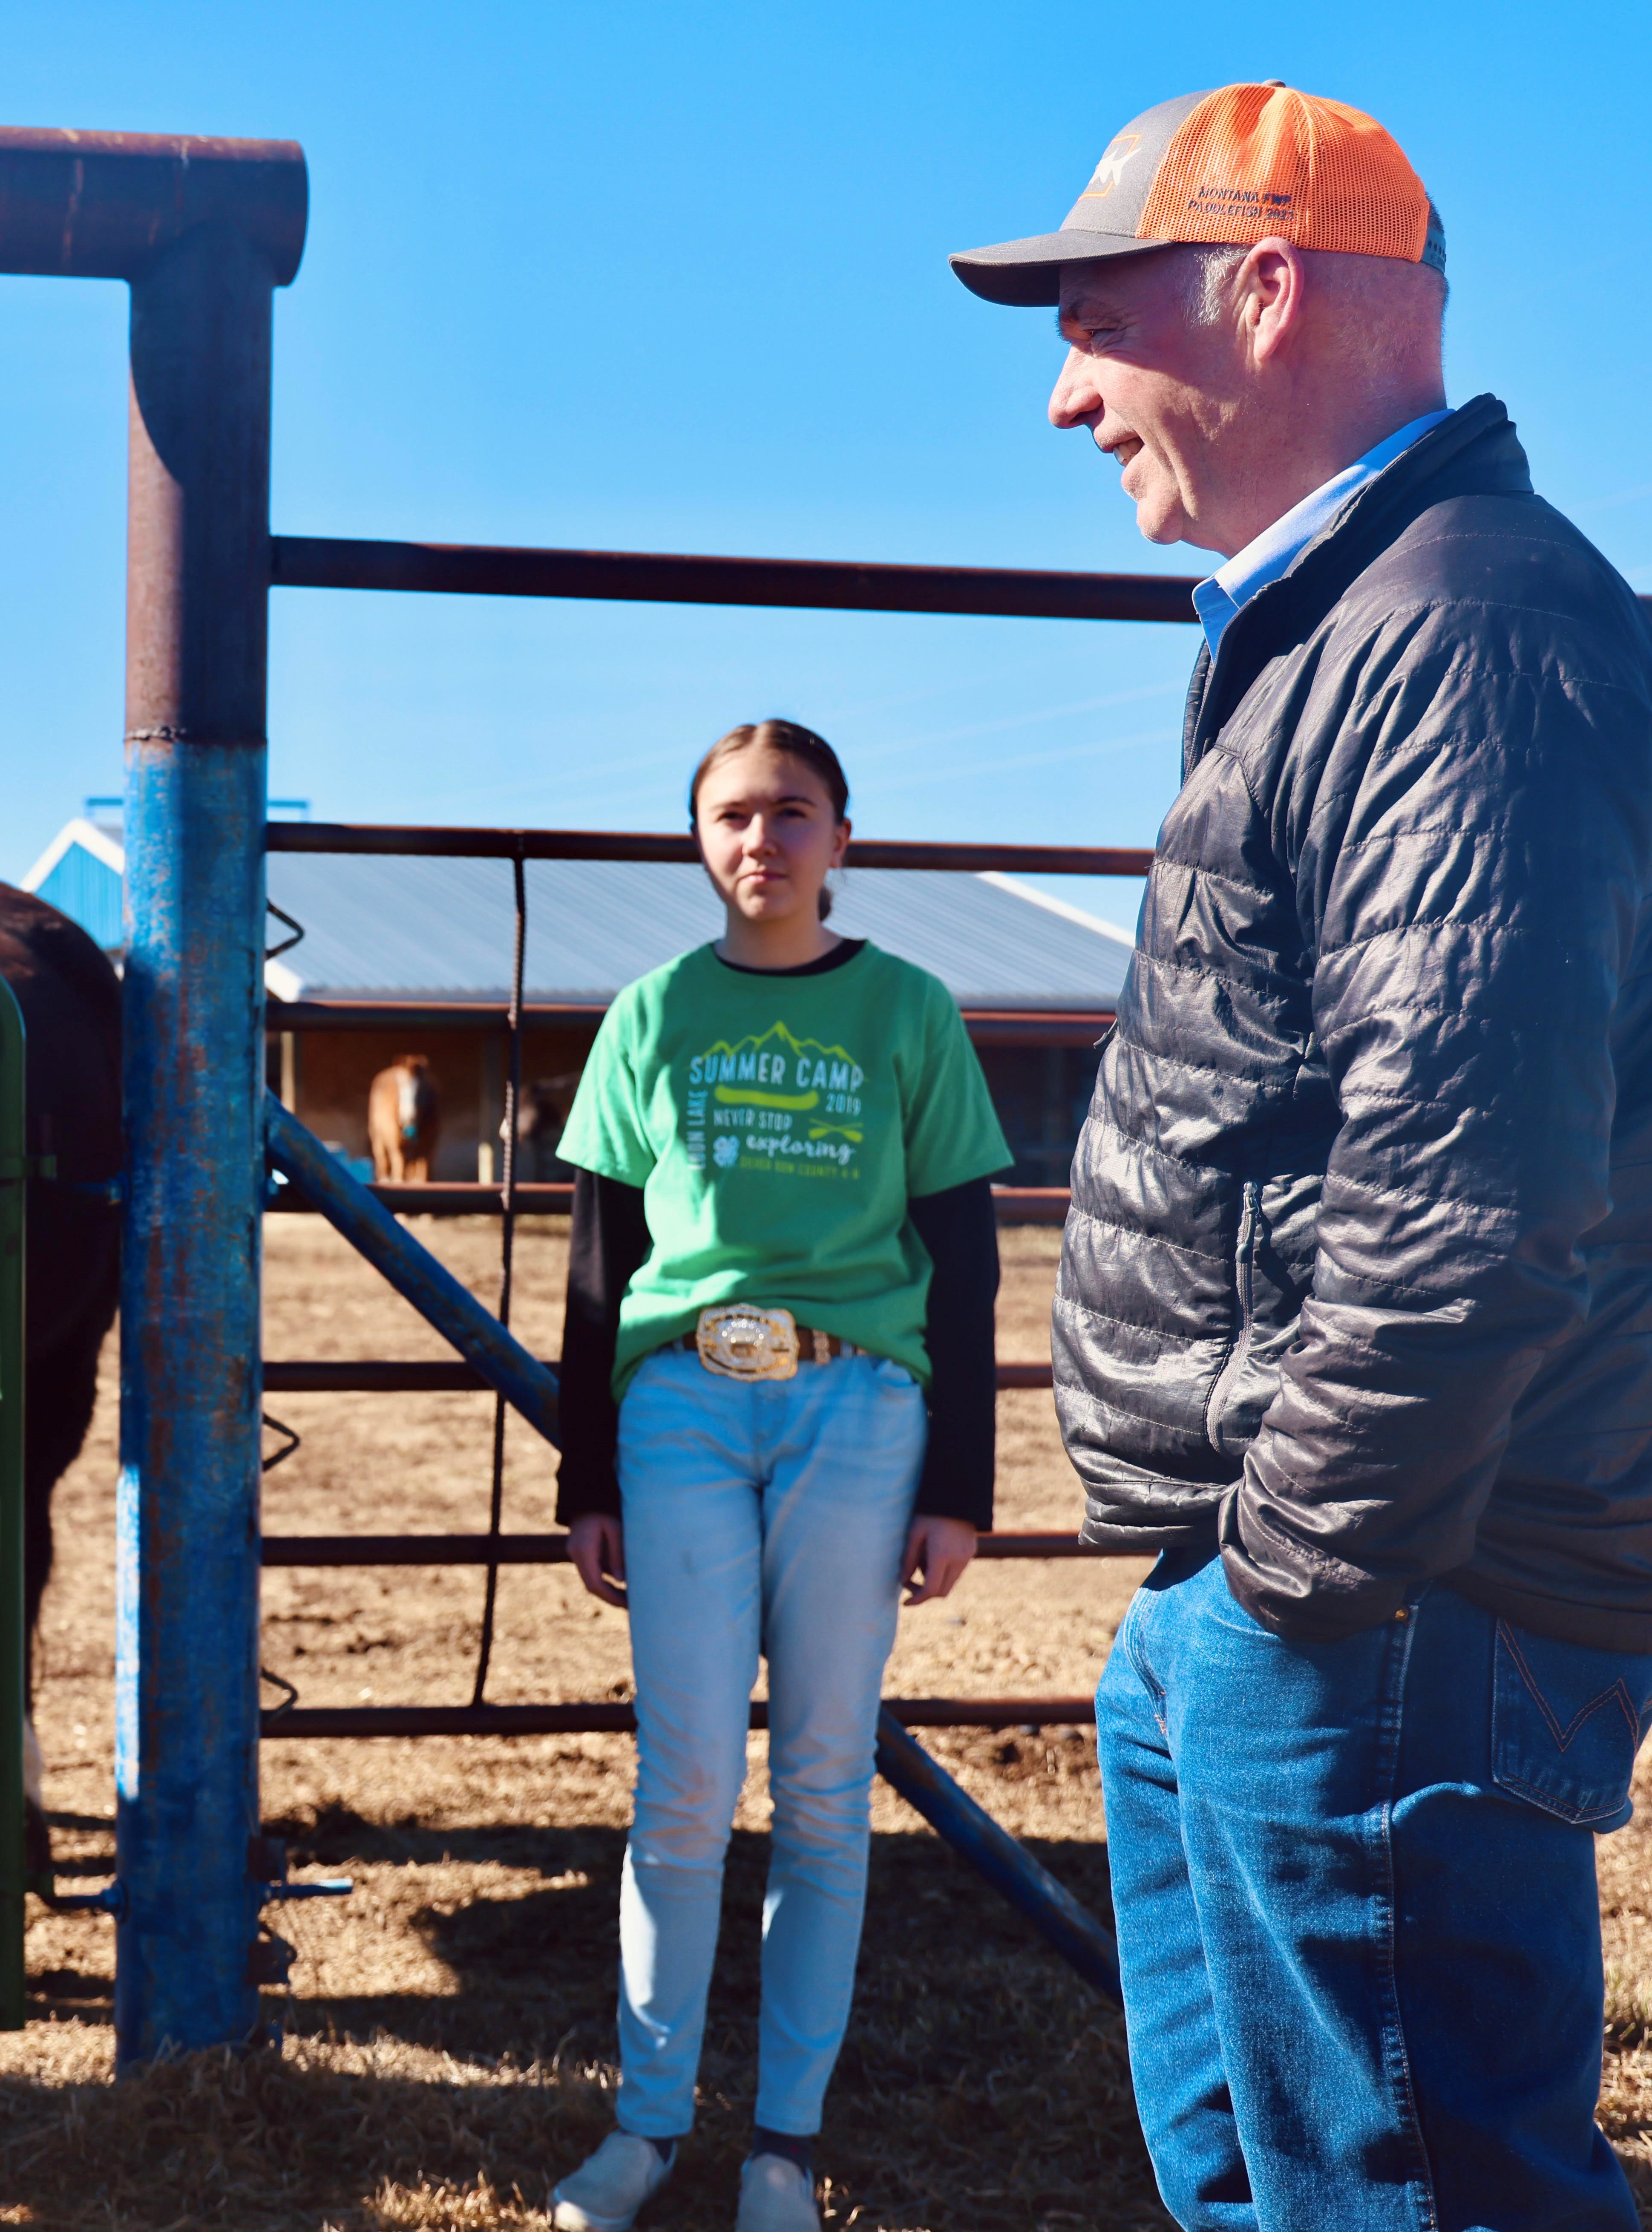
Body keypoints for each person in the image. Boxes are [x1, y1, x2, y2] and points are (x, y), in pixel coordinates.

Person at [950, 83, 1652, 2226]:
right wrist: (1232, 1593)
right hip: (1301, 1593)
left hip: (1383, 1602)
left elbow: (1462, 1203)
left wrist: (1290, 1582)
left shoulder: (1459, 635)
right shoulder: (1360, 628)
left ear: (1267, 291)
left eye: (1095, 321)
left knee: (1410, 2196)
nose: (1067, 394)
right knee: (1282, 2185)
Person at [544, 720, 1010, 2232]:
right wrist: (584, 1472)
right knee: (681, 1785)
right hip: (681, 1405)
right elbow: (598, 1259)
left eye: (791, 813)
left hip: (855, 1408)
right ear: (699, 840)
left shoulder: (906, 1009)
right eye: (732, 816)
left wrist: (963, 1481)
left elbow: (963, 1259)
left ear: (841, 836)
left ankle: (781, 2151)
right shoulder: (654, 1012)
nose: (763, 840)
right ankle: (643, 2129)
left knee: (819, 1783)